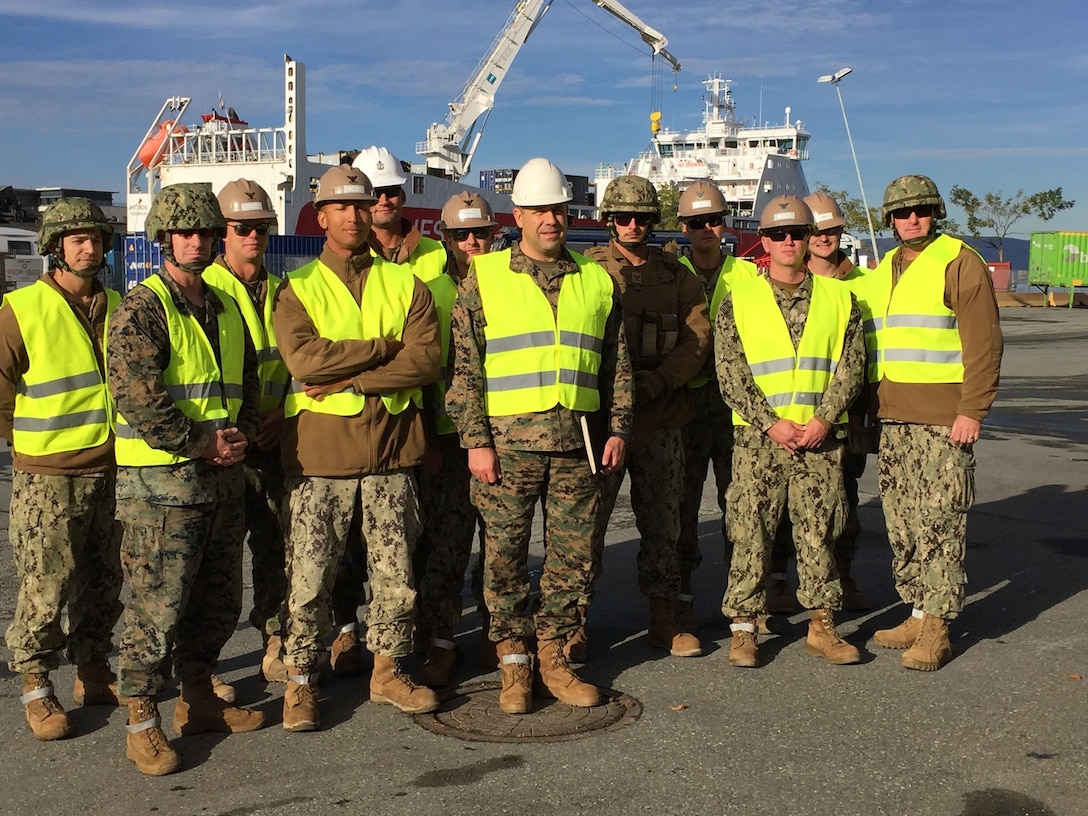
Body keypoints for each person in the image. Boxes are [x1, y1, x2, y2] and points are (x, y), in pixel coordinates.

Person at [446, 157, 633, 715]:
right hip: (506, 447)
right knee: (503, 558)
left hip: (577, 443)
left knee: (571, 559)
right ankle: (513, 665)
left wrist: (618, 427)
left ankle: (556, 658)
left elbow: (616, 364)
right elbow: (465, 369)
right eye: (539, 210)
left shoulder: (596, 280)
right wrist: (476, 441)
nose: (550, 219)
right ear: (519, 214)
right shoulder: (484, 279)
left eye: (558, 209)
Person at [272, 164, 442, 731]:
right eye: (340, 207)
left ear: (374, 212)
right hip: (321, 458)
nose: (353, 215)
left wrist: (352, 378)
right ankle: (300, 681)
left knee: (396, 575)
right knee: (310, 577)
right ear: (320, 217)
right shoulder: (298, 289)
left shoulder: (406, 284)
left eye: (361, 205)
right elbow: (303, 360)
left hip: (393, 454)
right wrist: (379, 347)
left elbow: (423, 360)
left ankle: (388, 670)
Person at [109, 183, 264, 776]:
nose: (195, 241)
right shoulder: (142, 309)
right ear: (164, 239)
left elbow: (246, 383)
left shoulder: (223, 308)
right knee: (156, 608)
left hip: (221, 483)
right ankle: (142, 721)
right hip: (162, 491)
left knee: (218, 600)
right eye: (184, 232)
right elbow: (138, 399)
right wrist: (203, 442)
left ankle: (199, 699)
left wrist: (241, 434)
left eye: (204, 231)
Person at [715, 195, 866, 668]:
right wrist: (770, 423)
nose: (788, 242)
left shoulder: (842, 299)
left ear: (808, 239)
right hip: (761, 441)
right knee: (750, 530)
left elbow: (851, 366)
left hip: (820, 440)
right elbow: (730, 373)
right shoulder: (738, 300)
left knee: (820, 529)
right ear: (763, 240)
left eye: (797, 233)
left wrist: (823, 419)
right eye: (777, 234)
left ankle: (822, 624)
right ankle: (744, 628)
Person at [0, 198, 123, 741]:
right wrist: (29, 444)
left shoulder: (120, 304)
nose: (88, 247)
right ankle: (36, 683)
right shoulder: (21, 308)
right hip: (47, 475)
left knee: (105, 579)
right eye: (76, 239)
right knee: (46, 584)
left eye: (95, 238)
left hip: (112, 466)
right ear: (54, 247)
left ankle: (93, 670)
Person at [869, 175, 1002, 671]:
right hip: (895, 419)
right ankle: (918, 611)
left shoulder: (958, 261)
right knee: (902, 522)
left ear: (935, 212)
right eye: (902, 212)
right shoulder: (887, 268)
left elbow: (984, 341)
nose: (912, 218)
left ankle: (940, 627)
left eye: (921, 210)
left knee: (940, 521)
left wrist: (973, 409)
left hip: (944, 422)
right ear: (889, 220)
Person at [585, 175, 710, 659]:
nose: (632, 225)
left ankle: (665, 613)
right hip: (600, 421)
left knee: (664, 520)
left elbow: (696, 340)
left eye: (641, 217)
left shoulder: (676, 275)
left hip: (661, 416)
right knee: (586, 523)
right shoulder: (588, 271)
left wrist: (656, 383)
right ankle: (573, 617)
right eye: (622, 218)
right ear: (608, 221)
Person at [765, 192, 874, 613]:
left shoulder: (862, 285)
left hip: (842, 415)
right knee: (777, 509)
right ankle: (778, 578)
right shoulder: (779, 281)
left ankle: (840, 574)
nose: (825, 238)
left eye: (832, 230)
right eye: (819, 230)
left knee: (841, 499)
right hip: (785, 419)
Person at [204, 179, 292, 683]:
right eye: (242, 228)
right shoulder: (204, 292)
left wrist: (285, 416)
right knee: (217, 560)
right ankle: (206, 663)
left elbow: (300, 364)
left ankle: (274, 640)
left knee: (277, 548)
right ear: (223, 233)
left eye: (261, 227)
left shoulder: (284, 290)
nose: (253, 236)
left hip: (276, 438)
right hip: (223, 447)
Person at [414, 193, 497, 687]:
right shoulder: (426, 292)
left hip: (504, 437)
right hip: (448, 440)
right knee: (445, 547)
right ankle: (441, 638)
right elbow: (424, 375)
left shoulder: (511, 288)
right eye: (461, 235)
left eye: (480, 233)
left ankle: (496, 630)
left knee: (499, 548)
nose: (472, 243)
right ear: (445, 239)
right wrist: (426, 439)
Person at [675, 181, 758, 631]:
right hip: (685, 403)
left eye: (714, 219)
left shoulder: (747, 276)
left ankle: (744, 596)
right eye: (696, 222)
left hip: (735, 406)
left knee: (742, 503)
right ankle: (682, 596)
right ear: (683, 227)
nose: (707, 228)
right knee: (681, 504)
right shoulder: (671, 271)